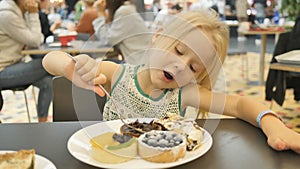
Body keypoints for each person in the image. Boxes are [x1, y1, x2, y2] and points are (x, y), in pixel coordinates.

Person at [43, 9, 300, 154]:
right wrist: (70, 67)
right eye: (178, 51)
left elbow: (239, 106)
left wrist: (273, 125)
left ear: (197, 76)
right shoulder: (116, 75)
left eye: (193, 66)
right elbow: (49, 60)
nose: (180, 65)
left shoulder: (184, 93)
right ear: (157, 37)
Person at [0, 0, 53, 122]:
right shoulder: (7, 15)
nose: (36, 1)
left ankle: (42, 122)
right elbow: (36, 40)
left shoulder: (17, 11)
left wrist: (30, 14)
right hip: (3, 70)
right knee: (48, 64)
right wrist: (33, 13)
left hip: (14, 64)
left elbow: (36, 39)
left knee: (47, 82)